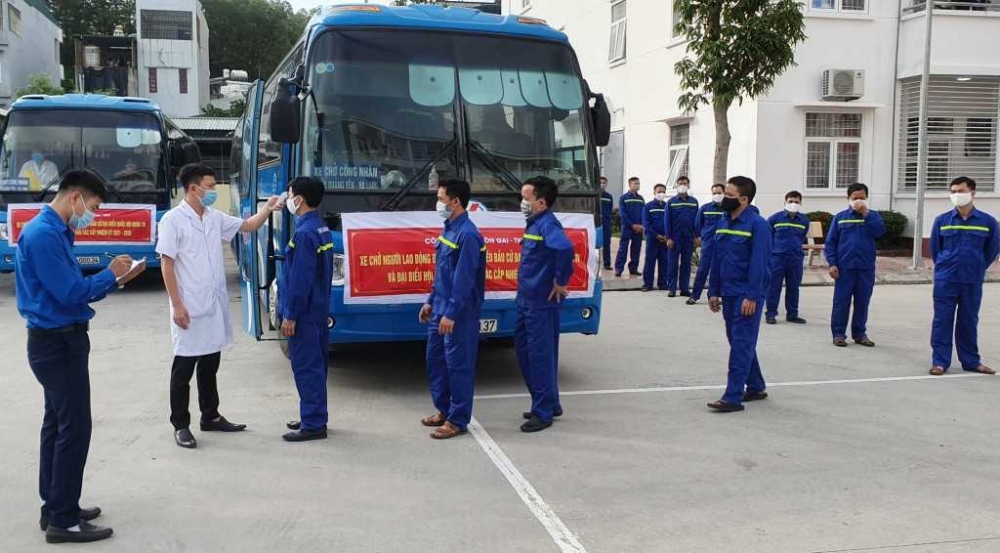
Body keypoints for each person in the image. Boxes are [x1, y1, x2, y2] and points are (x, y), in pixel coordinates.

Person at [16, 170, 145, 544]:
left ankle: (57, 505)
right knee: (74, 428)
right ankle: (63, 520)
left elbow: (70, 290)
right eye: (94, 206)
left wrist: (114, 279)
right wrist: (110, 274)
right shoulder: (44, 235)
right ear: (75, 198)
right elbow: (71, 292)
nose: (93, 214)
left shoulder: (55, 231)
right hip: (56, 344)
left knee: (58, 425)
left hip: (59, 341)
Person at [157, 163, 282, 449]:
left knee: (210, 364)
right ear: (193, 188)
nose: (214, 190)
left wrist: (268, 208)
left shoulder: (214, 217)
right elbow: (167, 263)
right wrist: (177, 305)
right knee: (183, 368)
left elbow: (248, 226)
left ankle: (210, 415)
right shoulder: (173, 220)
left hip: (213, 306)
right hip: (189, 306)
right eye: (210, 186)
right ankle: (181, 424)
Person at [419, 179, 487, 439]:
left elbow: (464, 279)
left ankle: (457, 420)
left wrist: (452, 313)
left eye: (441, 199)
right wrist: (430, 300)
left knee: (458, 367)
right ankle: (444, 410)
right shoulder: (448, 229)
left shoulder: (468, 235)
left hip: (458, 314)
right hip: (439, 308)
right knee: (436, 361)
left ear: (455, 202)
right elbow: (442, 272)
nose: (437, 204)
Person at [707, 176, 772, 413]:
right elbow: (716, 259)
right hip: (728, 292)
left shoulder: (758, 225)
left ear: (744, 200)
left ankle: (732, 397)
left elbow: (760, 264)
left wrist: (752, 296)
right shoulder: (724, 221)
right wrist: (713, 291)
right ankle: (756, 386)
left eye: (730, 195)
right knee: (737, 340)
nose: (724, 198)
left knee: (741, 343)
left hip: (747, 294)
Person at [517, 176, 575, 433]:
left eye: (526, 198)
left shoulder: (547, 224)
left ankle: (542, 413)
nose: (522, 202)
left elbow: (565, 249)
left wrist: (560, 282)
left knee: (539, 357)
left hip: (540, 302)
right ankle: (550, 402)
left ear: (540, 202)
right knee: (527, 354)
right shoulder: (534, 224)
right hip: (527, 299)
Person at [279, 177, 335, 442]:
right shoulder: (320, 228)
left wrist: (291, 314)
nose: (288, 199)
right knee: (316, 366)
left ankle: (313, 424)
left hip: (304, 314)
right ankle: (315, 415)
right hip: (317, 310)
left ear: (299, 199)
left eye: (290, 194)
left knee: (306, 367)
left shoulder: (303, 234)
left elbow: (300, 280)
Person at [928, 176, 999, 376]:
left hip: (972, 280)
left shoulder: (987, 222)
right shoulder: (942, 221)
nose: (956, 195)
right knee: (942, 320)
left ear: (972, 192)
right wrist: (945, 267)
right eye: (953, 192)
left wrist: (977, 266)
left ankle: (971, 361)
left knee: (968, 321)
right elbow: (935, 249)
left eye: (960, 191)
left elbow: (992, 249)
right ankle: (940, 362)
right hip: (946, 280)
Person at [825, 183, 885, 348]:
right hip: (844, 268)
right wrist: (832, 264)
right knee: (841, 302)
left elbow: (879, 232)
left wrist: (866, 213)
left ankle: (859, 334)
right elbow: (831, 243)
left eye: (861, 198)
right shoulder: (840, 217)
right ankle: (838, 334)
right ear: (848, 198)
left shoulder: (873, 216)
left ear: (866, 198)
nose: (858, 201)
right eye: (854, 198)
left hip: (865, 268)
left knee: (862, 302)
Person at [765, 191, 810, 325]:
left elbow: (802, 237)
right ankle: (771, 314)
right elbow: (767, 238)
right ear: (785, 202)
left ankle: (792, 314)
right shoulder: (775, 219)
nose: (793, 204)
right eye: (790, 201)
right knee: (774, 287)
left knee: (794, 287)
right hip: (777, 258)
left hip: (795, 258)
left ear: (800, 203)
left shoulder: (804, 220)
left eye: (796, 202)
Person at [688, 184, 726, 305]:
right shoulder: (705, 208)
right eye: (714, 193)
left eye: (719, 193)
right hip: (708, 244)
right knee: (703, 270)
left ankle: (715, 296)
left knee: (720, 271)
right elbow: (697, 225)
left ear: (724, 193)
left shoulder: (729, 209)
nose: (717, 195)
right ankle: (694, 296)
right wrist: (701, 238)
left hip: (724, 244)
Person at [664, 176, 699, 297]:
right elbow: (667, 221)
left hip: (689, 237)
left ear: (688, 185)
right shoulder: (671, 202)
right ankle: (672, 288)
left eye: (684, 183)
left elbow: (697, 221)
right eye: (680, 183)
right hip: (675, 238)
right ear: (677, 186)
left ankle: (684, 288)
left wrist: (696, 236)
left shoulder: (694, 202)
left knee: (686, 264)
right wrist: (668, 238)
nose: (682, 185)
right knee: (672, 264)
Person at [641, 184, 669, 291]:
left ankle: (663, 284)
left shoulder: (667, 206)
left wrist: (667, 236)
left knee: (664, 262)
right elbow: (646, 223)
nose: (661, 194)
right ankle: (647, 284)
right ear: (654, 192)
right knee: (650, 262)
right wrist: (656, 235)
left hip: (665, 240)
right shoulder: (648, 206)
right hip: (652, 239)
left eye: (663, 192)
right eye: (659, 191)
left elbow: (670, 222)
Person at [614, 177, 644, 277]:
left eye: (638, 183)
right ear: (630, 185)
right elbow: (622, 214)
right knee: (623, 248)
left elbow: (643, 213)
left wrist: (641, 225)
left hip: (638, 229)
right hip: (627, 227)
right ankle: (618, 269)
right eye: (635, 183)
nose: (637, 185)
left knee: (636, 249)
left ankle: (633, 269)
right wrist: (632, 225)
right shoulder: (623, 198)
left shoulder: (641, 199)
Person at [600, 176, 614, 270]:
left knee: (607, 244)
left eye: (604, 182)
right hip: (595, 223)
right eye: (600, 182)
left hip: (606, 223)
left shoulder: (609, 196)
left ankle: (607, 264)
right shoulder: (594, 196)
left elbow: (610, 209)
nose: (602, 184)